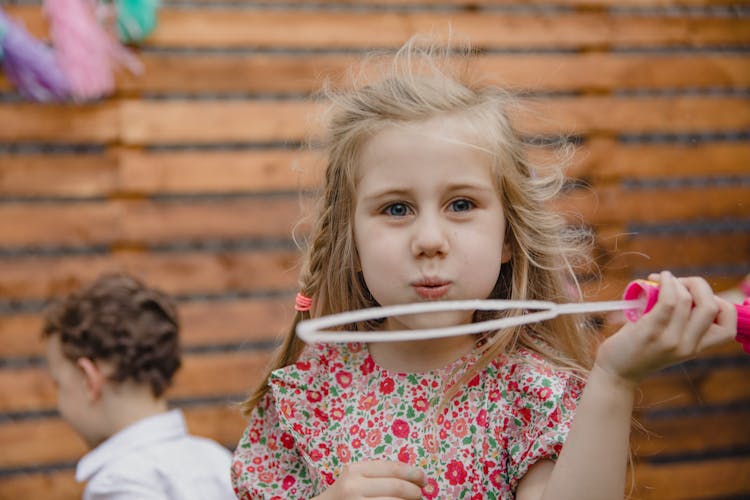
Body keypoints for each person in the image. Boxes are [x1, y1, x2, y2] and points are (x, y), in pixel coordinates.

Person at [231, 37, 738, 500]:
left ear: (507, 240)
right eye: (396, 209)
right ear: (353, 244)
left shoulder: (529, 396)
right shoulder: (305, 398)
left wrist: (614, 377)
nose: (430, 240)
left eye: (461, 205)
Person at [43, 272, 236, 500]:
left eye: (59, 384)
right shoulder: (217, 460)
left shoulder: (118, 484)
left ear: (89, 379)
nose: (60, 403)